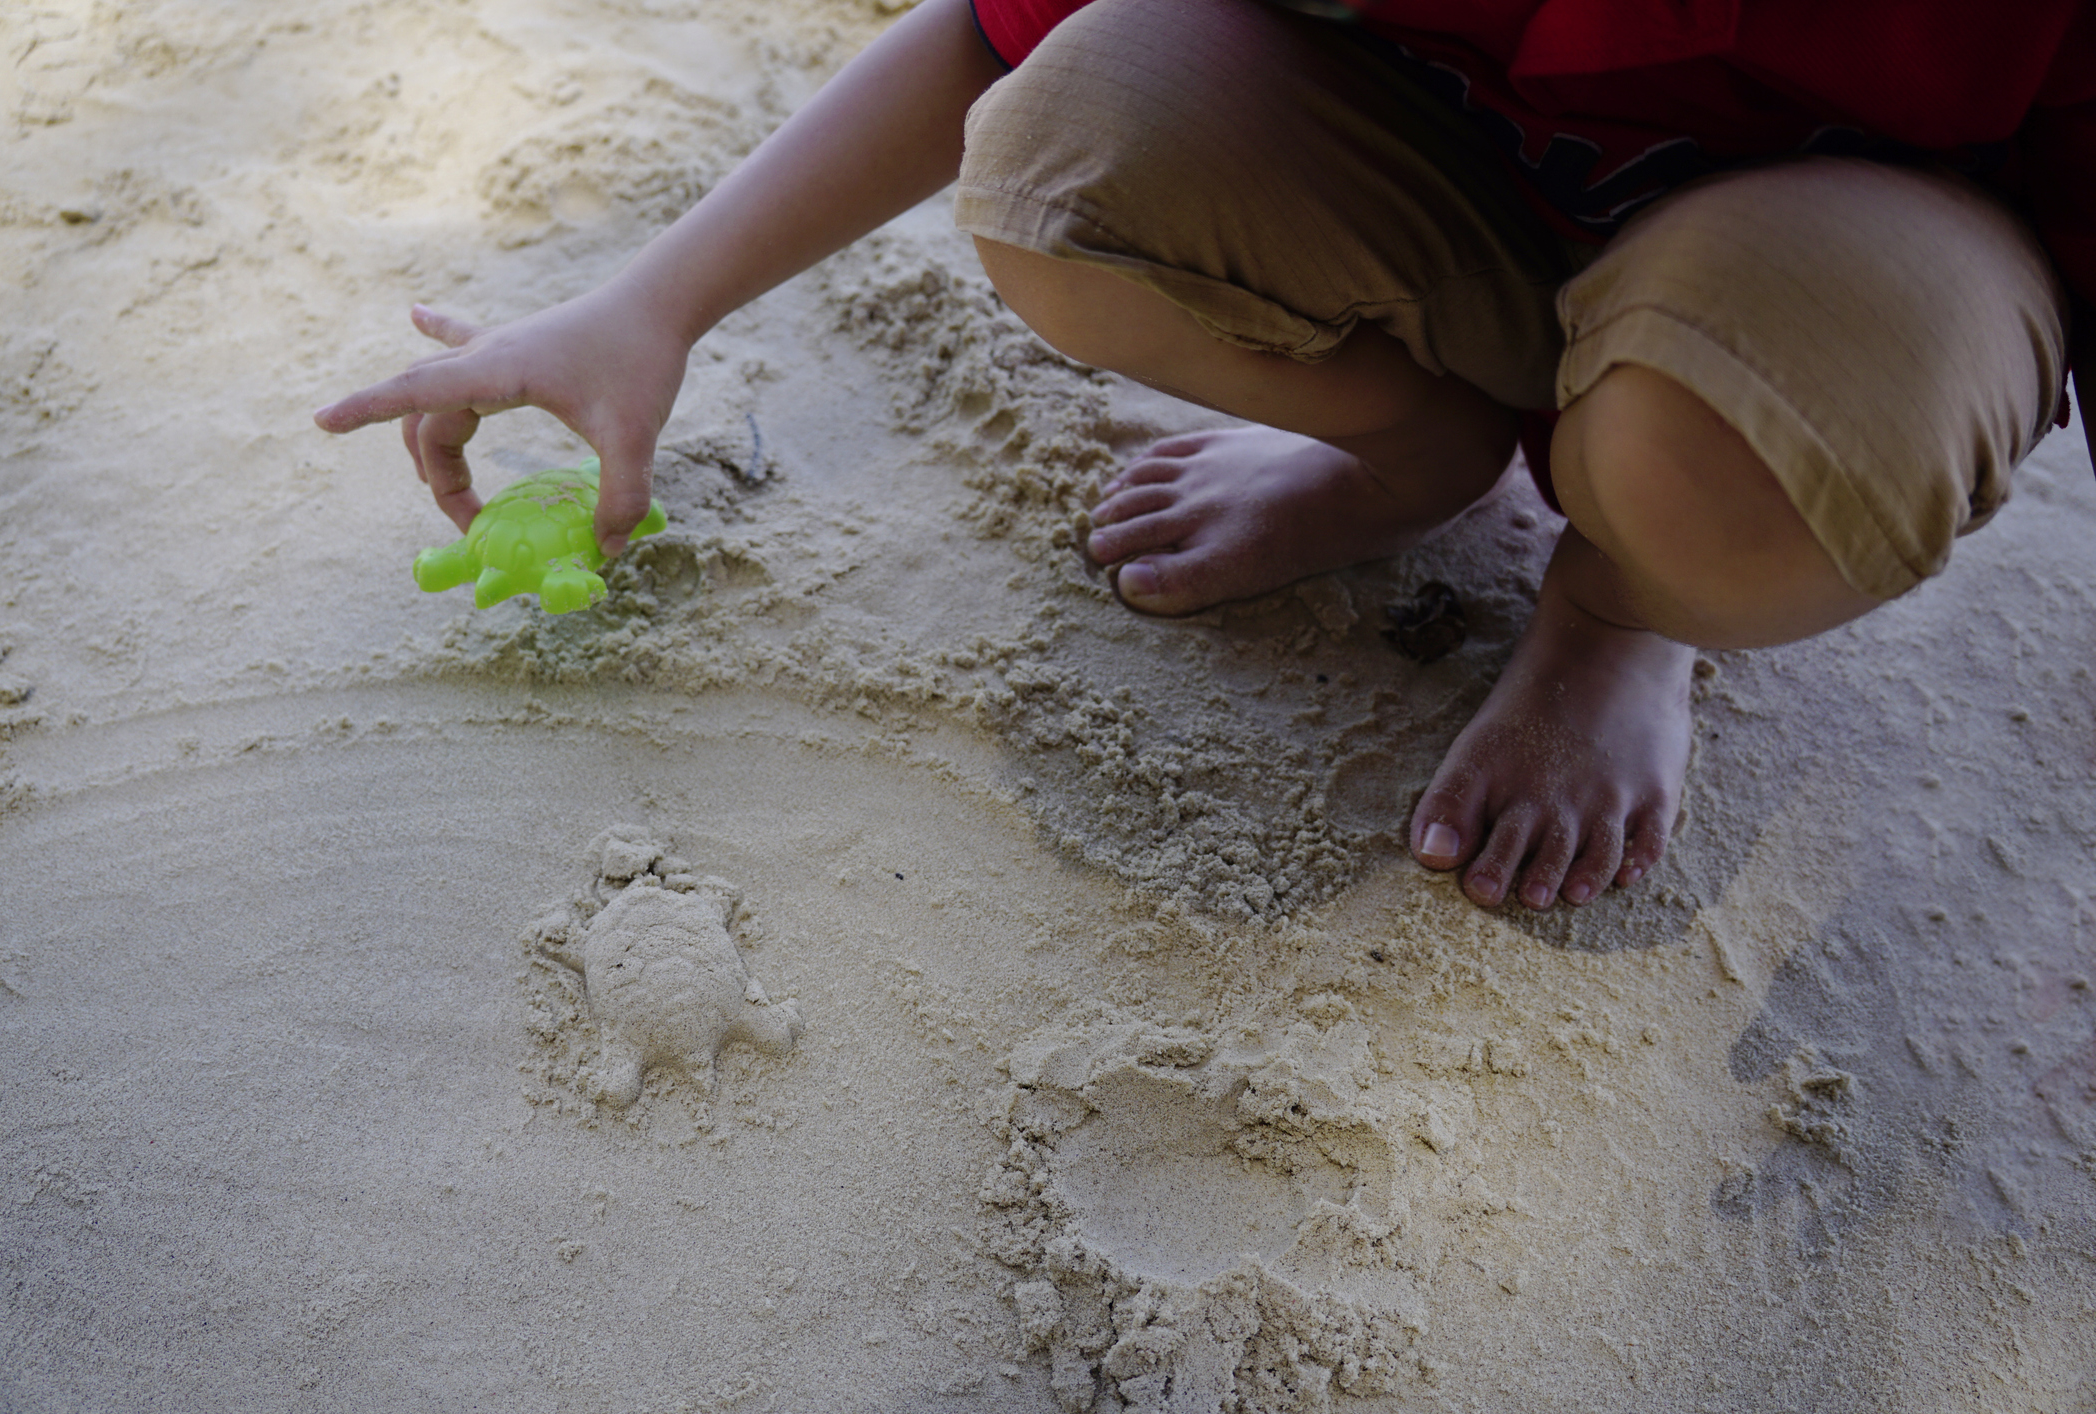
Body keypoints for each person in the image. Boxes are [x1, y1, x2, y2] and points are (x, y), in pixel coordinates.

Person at [316, 0, 2096, 911]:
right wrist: (651, 305)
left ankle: (1623, 603)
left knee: (1731, 464)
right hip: (1449, 171)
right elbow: (992, 35)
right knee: (1067, 153)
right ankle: (1416, 450)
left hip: (1833, 250)